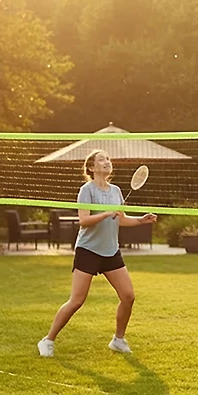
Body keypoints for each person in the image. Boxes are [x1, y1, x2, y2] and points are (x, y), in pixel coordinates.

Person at [37, 150, 156, 357]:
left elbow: (120, 219)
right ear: (91, 168)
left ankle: (118, 340)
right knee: (77, 300)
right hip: (88, 251)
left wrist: (140, 220)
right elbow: (83, 220)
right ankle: (48, 340)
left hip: (111, 251)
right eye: (102, 160)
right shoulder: (87, 190)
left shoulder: (116, 191)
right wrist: (105, 214)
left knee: (128, 296)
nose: (107, 162)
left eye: (108, 159)